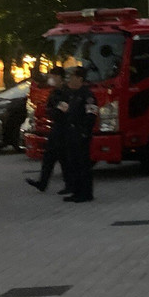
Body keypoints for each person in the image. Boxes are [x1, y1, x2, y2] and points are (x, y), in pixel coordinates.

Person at [26, 67, 70, 193]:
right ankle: (43, 183)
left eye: (53, 76)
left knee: (63, 159)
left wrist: (54, 110)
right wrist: (53, 110)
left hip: (64, 128)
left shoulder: (66, 92)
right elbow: (50, 108)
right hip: (56, 127)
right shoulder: (54, 92)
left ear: (59, 77)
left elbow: (62, 110)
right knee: (49, 157)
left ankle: (69, 185)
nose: (51, 79)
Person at [62, 66, 98, 203]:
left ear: (80, 79)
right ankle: (76, 191)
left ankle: (86, 193)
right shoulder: (72, 94)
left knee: (83, 164)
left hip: (81, 133)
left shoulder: (87, 96)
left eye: (73, 77)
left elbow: (91, 114)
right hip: (71, 133)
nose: (70, 80)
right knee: (73, 163)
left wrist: (85, 131)